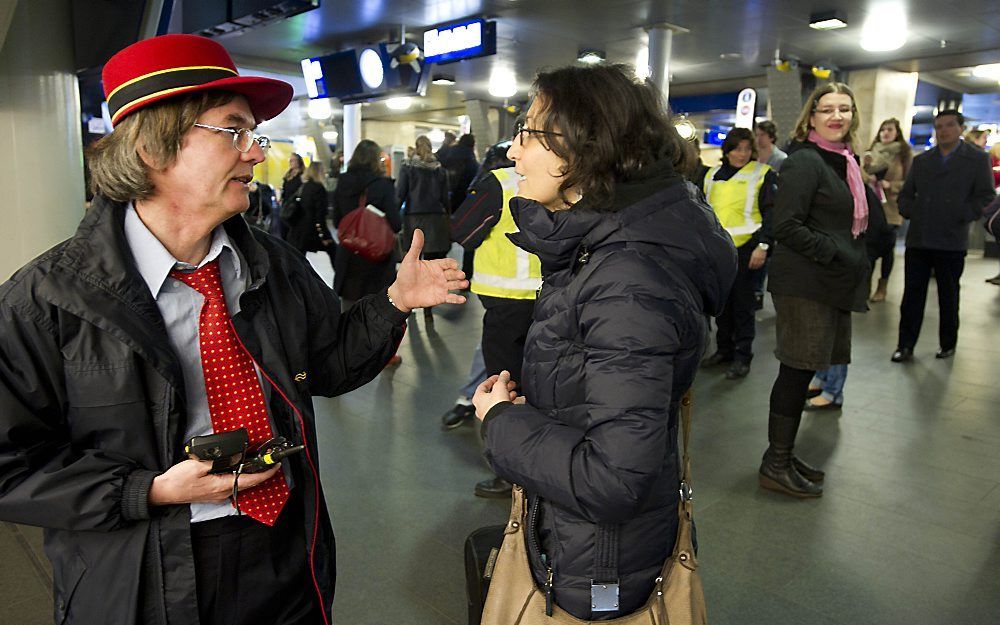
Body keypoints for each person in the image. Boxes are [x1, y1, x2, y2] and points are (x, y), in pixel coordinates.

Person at [0, 34, 467, 625]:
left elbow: (332, 363)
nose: (256, 154)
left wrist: (395, 301)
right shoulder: (48, 300)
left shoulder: (271, 265)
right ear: (151, 146)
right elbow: (11, 464)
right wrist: (147, 490)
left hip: (283, 552)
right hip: (145, 572)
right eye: (234, 131)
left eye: (255, 135)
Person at [472, 64, 736, 620]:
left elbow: (613, 479)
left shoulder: (627, 277)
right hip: (586, 538)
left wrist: (501, 422)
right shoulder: (599, 245)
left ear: (585, 146)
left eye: (530, 132)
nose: (514, 153)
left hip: (599, 559)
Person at [761, 82, 873, 498]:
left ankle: (783, 455)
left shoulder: (844, 161)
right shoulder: (805, 162)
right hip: (804, 282)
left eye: (844, 109)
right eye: (827, 109)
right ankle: (775, 463)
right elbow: (786, 226)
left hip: (827, 281)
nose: (837, 116)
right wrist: (838, 251)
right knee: (796, 369)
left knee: (805, 367)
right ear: (811, 117)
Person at [891, 110, 995, 362]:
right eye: (939, 126)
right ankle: (905, 345)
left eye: (949, 125)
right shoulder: (923, 160)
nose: (943, 131)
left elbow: (985, 195)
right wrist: (912, 211)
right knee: (913, 295)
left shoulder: (977, 159)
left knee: (948, 294)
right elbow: (906, 194)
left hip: (951, 238)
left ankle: (947, 342)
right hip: (920, 236)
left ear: (960, 128)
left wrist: (961, 213)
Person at [700, 127, 776, 379]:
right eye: (736, 149)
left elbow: (771, 214)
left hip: (747, 250)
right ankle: (724, 350)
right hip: (718, 251)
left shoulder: (762, 173)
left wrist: (763, 246)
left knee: (743, 307)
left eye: (746, 149)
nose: (741, 154)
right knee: (722, 305)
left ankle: (743, 356)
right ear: (727, 150)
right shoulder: (711, 175)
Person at [332, 139, 402, 308]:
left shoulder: (343, 181)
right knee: (378, 313)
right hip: (376, 258)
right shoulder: (383, 185)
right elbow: (396, 223)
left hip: (348, 255)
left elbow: (336, 220)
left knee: (349, 313)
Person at [397, 135, 452, 323]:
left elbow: (400, 194)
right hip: (435, 219)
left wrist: (394, 220)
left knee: (411, 263)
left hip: (414, 219)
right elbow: (446, 198)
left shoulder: (408, 167)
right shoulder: (439, 170)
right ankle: (428, 311)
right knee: (430, 267)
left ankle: (408, 305)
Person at [863, 118, 913, 302]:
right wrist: (866, 170)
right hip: (871, 207)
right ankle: (864, 286)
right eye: (882, 129)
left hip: (892, 207)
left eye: (889, 129)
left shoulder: (903, 154)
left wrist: (890, 185)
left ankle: (882, 286)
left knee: (887, 248)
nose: (885, 133)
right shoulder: (871, 152)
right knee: (869, 248)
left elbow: (909, 183)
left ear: (896, 133)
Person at [284, 160, 336, 276]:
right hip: (310, 232)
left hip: (298, 230)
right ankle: (341, 283)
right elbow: (320, 215)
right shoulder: (319, 189)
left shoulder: (304, 186)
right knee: (333, 250)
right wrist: (325, 236)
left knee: (297, 261)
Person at [441, 133, 479, 211]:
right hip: (464, 194)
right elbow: (474, 174)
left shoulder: (451, 152)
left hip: (448, 192)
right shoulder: (470, 156)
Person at [275, 151, 304, 240]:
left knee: (293, 233)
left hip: (296, 207)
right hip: (285, 205)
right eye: (290, 160)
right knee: (283, 231)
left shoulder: (302, 176)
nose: (290, 162)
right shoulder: (288, 175)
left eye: (293, 160)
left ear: (299, 162)